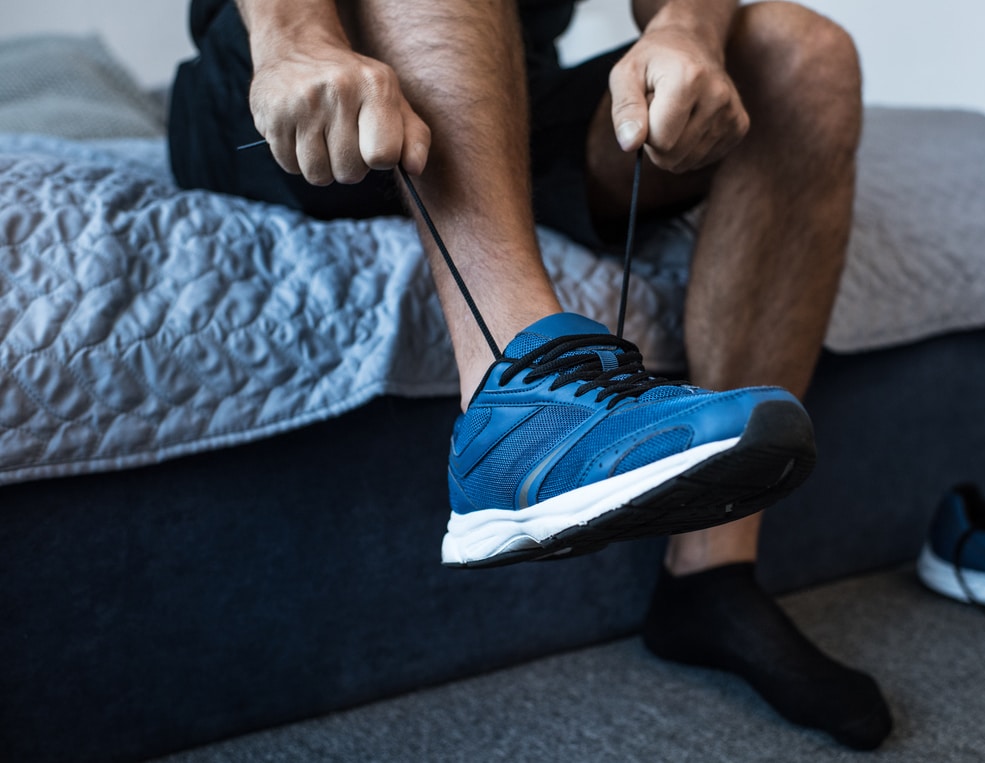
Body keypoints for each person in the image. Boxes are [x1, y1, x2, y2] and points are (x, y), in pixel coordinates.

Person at [169, 0, 892, 750]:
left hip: (486, 96)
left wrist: (686, 33)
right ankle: (515, 401)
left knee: (803, 55)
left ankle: (709, 578)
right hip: (279, 93)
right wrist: (298, 40)